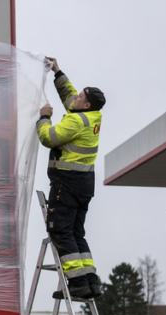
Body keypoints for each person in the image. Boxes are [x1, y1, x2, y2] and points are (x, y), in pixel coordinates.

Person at [37, 57, 106, 300]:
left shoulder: (76, 121)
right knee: (77, 233)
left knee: (61, 232)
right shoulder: (91, 116)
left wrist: (44, 117)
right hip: (83, 186)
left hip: (66, 186)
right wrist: (58, 72)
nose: (75, 97)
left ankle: (77, 285)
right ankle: (90, 283)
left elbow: (48, 138)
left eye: (80, 97)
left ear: (85, 105)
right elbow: (70, 97)